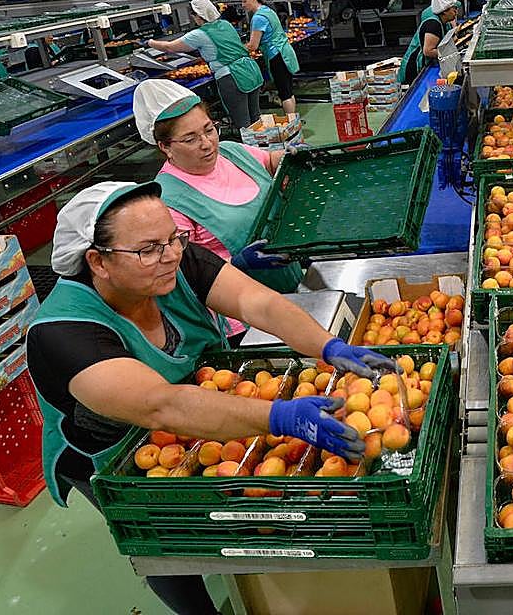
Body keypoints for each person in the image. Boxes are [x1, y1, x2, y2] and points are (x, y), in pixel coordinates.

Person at [27, 181, 393, 615]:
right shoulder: (62, 332)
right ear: (98, 261)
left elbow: (257, 303)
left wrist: (328, 346)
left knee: (220, 512)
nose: (169, 255)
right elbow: (160, 405)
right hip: (112, 451)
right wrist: (282, 416)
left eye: (173, 239)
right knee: (158, 539)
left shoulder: (173, 264)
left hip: (201, 416)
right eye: (147, 249)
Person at [133, 79, 303, 309]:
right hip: (240, 311)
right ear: (165, 147)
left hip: (291, 281)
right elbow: (182, 272)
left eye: (209, 130)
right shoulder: (168, 201)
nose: (207, 144)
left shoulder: (231, 152)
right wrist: (237, 263)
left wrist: (290, 157)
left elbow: (270, 162)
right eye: (190, 139)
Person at [143, 0, 263, 131]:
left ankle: (249, 150)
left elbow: (169, 47)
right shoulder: (225, 24)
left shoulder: (199, 34)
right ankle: (262, 148)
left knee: (243, 124)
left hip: (233, 77)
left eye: (193, 15)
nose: (193, 18)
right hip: (250, 71)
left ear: (199, 16)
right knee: (256, 119)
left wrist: (149, 43)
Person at [239, 0, 300, 116]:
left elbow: (253, 46)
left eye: (245, 1)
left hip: (276, 56)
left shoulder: (258, 18)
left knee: (285, 93)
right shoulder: (268, 11)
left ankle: (291, 125)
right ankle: (293, 121)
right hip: (284, 52)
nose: (243, 5)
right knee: (288, 90)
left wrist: (236, 48)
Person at [399, 0, 458, 85]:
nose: (456, 11)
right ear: (444, 11)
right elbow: (428, 51)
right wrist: (451, 54)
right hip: (415, 68)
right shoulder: (433, 25)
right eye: (453, 9)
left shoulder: (443, 22)